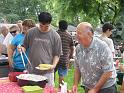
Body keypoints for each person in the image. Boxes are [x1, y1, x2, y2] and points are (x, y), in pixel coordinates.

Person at [72, 22, 117, 93]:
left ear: (89, 34)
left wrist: (95, 89)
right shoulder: (78, 48)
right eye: (76, 33)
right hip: (89, 86)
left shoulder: (102, 47)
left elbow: (108, 71)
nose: (76, 36)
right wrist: (75, 84)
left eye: (79, 33)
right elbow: (77, 68)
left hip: (106, 88)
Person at [20, 12, 62, 86]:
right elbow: (24, 46)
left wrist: (54, 65)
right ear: (38, 22)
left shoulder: (55, 36)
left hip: (47, 72)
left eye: (46, 26)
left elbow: (57, 54)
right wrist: (22, 49)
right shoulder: (31, 32)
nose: (43, 28)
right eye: (41, 26)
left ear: (50, 24)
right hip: (32, 70)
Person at [55, 20, 74, 87]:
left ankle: (51, 89)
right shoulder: (69, 36)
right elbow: (72, 48)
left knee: (52, 73)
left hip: (54, 58)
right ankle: (60, 90)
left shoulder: (55, 34)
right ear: (67, 26)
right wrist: (70, 56)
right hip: (64, 59)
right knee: (62, 75)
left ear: (59, 26)